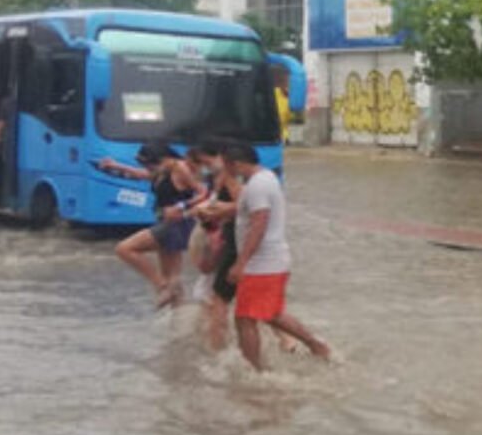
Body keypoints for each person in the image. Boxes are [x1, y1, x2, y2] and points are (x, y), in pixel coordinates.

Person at [222, 142, 330, 370]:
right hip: (269, 262)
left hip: (262, 264)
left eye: (226, 165)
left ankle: (255, 372)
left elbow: (260, 223)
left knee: (244, 318)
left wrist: (241, 263)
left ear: (237, 164)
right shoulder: (266, 178)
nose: (224, 171)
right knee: (271, 314)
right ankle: (316, 345)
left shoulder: (257, 186)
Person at [186, 141, 300, 353]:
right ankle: (288, 342)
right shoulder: (256, 179)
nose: (202, 167)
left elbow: (253, 215)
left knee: (223, 302)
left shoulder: (238, 179)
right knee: (257, 309)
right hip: (242, 247)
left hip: (236, 246)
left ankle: (217, 353)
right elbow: (247, 209)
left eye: (202, 162)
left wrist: (240, 260)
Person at [103, 141, 207, 308]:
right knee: (173, 276)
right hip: (166, 222)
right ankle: (179, 318)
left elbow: (203, 192)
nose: (150, 168)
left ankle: (161, 286)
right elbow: (141, 174)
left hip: (177, 223)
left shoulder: (180, 168)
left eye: (151, 164)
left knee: (124, 249)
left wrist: (182, 206)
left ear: (165, 159)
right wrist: (117, 166)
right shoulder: (162, 170)